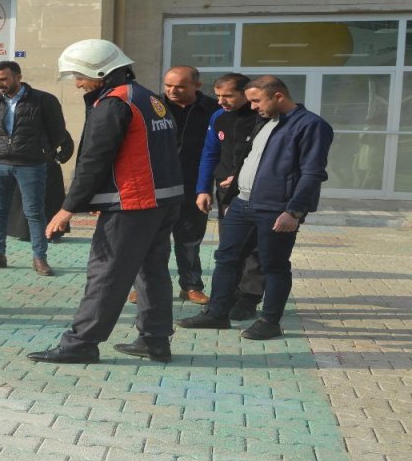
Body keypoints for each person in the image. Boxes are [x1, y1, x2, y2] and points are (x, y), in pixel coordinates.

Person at [27, 39, 183, 364]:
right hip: (164, 199)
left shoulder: (114, 103)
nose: (77, 82)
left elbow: (94, 160)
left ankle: (80, 343)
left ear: (101, 72)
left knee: (106, 273)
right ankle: (155, 340)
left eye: (80, 75)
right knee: (152, 272)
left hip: (133, 204)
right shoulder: (147, 97)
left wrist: (67, 208)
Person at [177, 75, 334, 340]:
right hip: (242, 202)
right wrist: (235, 182)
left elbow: (312, 173)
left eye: (256, 100)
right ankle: (217, 314)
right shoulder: (264, 121)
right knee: (226, 259)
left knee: (274, 265)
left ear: (278, 97)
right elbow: (250, 156)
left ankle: (270, 321)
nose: (252, 107)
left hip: (276, 208)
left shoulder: (311, 125)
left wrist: (294, 211)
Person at [128, 66, 221, 305]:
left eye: (180, 86)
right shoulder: (152, 106)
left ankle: (191, 286)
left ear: (197, 86)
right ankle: (144, 287)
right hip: (155, 185)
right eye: (168, 85)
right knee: (149, 240)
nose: (172, 91)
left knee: (189, 240)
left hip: (193, 185)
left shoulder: (213, 110)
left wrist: (209, 186)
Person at [0, 61, 70, 277]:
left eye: (4, 79)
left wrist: (42, 151)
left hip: (31, 164)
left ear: (18, 76)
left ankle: (39, 258)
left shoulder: (44, 100)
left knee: (34, 212)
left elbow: (58, 132)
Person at [195, 73, 265, 320]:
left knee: (255, 249)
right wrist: (203, 189)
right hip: (226, 191)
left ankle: (249, 298)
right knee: (230, 247)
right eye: (218, 96)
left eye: (228, 96)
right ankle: (227, 297)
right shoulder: (218, 117)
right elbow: (210, 153)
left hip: (256, 190)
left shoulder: (262, 117)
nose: (221, 101)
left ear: (245, 93)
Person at [6, 129, 75, 242]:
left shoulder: (54, 126)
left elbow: (68, 145)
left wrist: (58, 159)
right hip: (26, 165)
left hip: (49, 168)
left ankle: (53, 232)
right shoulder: (25, 125)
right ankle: (25, 231)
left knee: (51, 201)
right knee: (25, 199)